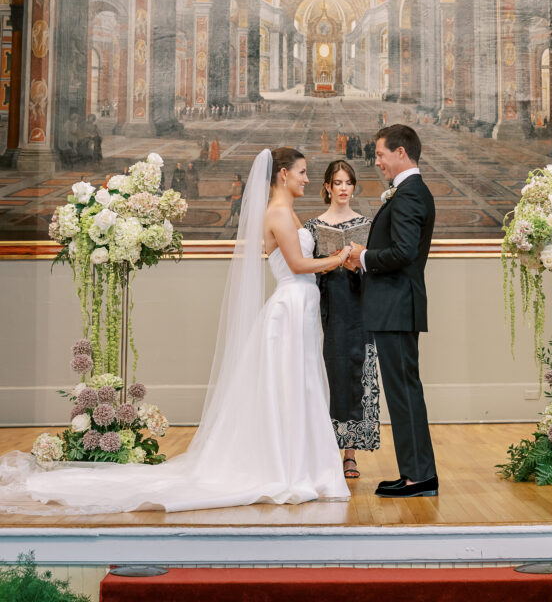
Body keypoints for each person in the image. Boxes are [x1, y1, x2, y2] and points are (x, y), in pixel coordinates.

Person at [0, 149, 351, 513]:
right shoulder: (278, 213)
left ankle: (300, 463)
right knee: (291, 385)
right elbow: (296, 264)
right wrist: (340, 259)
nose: (307, 179)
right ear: (282, 174)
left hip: (302, 305)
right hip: (291, 306)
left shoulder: (288, 211)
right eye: (302, 172)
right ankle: (288, 467)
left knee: (300, 384)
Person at [346, 124, 437, 498]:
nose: (377, 161)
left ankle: (419, 477)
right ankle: (415, 473)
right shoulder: (408, 193)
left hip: (397, 307)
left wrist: (362, 256)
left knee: (404, 392)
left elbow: (403, 253)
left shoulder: (410, 194)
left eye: (381, 153)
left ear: (401, 152)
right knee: (403, 392)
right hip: (395, 307)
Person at [304, 161, 380, 480]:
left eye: (348, 182)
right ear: (327, 187)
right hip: (326, 305)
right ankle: (323, 451)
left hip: (359, 305)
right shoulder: (312, 226)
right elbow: (303, 267)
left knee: (355, 372)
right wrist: (331, 262)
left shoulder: (366, 224)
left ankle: (350, 454)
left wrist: (359, 264)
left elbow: (379, 267)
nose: (344, 188)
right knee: (326, 372)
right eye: (337, 183)